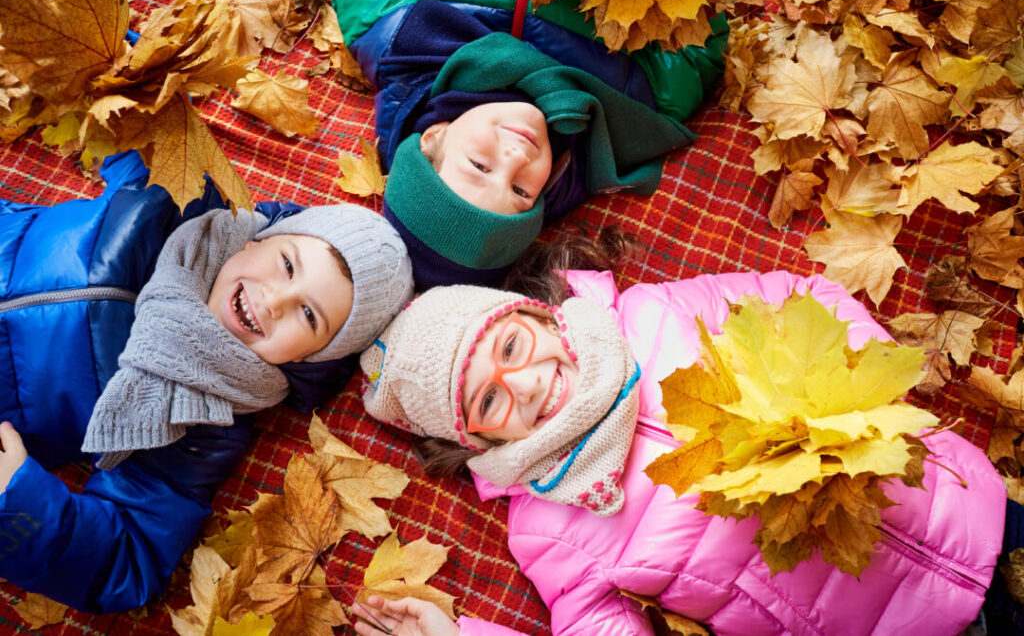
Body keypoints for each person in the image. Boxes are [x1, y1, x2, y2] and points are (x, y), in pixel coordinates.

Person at [355, 257, 1019, 635]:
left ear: (533, 313)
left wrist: (859, 390)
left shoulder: (655, 314)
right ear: (476, 440)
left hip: (967, 502)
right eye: (489, 400)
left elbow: (802, 297)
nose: (526, 385)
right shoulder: (549, 526)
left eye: (510, 347)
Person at [0, 150, 414, 613]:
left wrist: (19, 504)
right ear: (254, 241)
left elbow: (130, 553)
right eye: (288, 265)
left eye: (309, 314)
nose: (275, 300)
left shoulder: (203, 423)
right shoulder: (181, 200)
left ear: (306, 357)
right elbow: (134, 127)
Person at [330, 0, 728, 288]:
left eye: (480, 166)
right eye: (521, 192)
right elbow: (698, 41)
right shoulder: (627, 108)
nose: (517, 157)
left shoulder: (396, 40)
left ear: (434, 136)